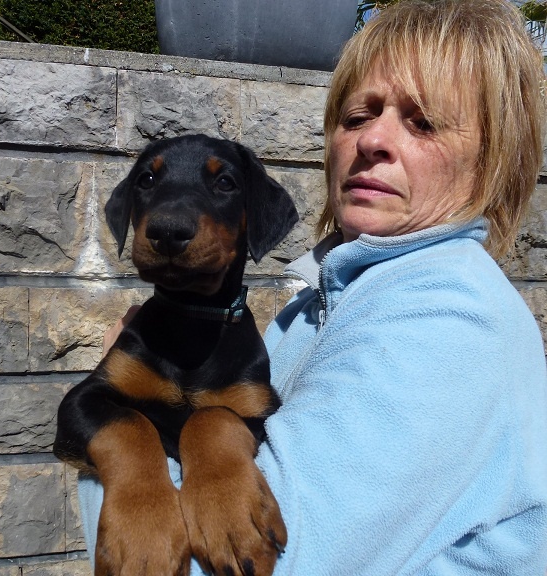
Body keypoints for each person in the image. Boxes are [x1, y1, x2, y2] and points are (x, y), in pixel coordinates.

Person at [79, 0, 547, 573]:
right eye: (357, 117)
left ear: (491, 163)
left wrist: (117, 441)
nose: (373, 139)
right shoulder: (311, 305)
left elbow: (247, 561)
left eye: (423, 122)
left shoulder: (449, 320)